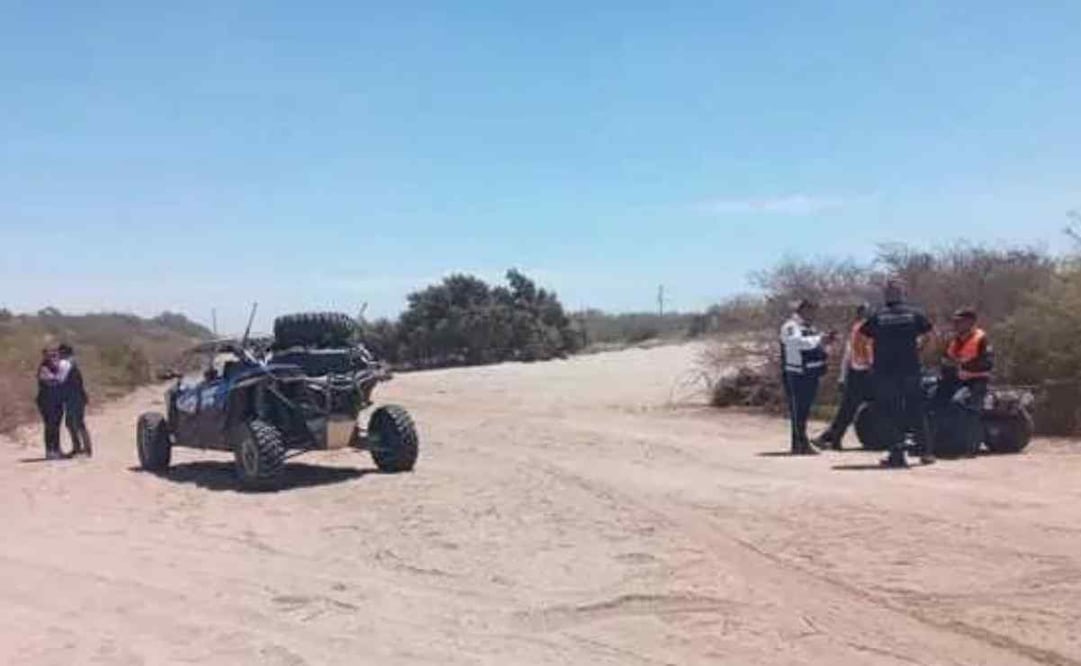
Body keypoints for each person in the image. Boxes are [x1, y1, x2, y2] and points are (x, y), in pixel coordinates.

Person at [860, 280, 935, 467]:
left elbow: (862, 336)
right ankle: (926, 452)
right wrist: (920, 351)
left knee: (891, 412)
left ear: (886, 296)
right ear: (903, 294)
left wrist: (869, 360)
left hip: (885, 372)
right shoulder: (914, 314)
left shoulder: (877, 316)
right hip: (910, 369)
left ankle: (897, 453)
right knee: (916, 409)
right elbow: (930, 335)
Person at [814, 303, 874, 450]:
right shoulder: (866, 331)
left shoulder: (856, 331)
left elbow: (847, 357)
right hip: (864, 373)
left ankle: (832, 437)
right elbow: (852, 355)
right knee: (848, 408)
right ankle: (831, 437)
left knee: (848, 408)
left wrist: (842, 377)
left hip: (856, 372)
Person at [935, 308, 993, 455]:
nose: (956, 325)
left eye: (960, 322)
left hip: (976, 381)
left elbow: (987, 362)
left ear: (970, 322)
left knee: (960, 404)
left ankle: (968, 445)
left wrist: (964, 366)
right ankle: (938, 441)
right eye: (955, 322)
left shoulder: (981, 339)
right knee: (934, 399)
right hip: (956, 381)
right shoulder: (955, 340)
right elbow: (945, 358)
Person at [780, 299, 834, 455]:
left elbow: (817, 346)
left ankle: (802, 442)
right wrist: (818, 339)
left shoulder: (811, 328)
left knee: (805, 409)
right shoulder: (790, 326)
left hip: (812, 372)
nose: (813, 315)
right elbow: (795, 343)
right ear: (802, 310)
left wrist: (827, 343)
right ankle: (798, 443)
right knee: (798, 410)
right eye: (811, 311)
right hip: (797, 373)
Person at [58, 343, 92, 457]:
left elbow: (61, 380)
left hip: (74, 398)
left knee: (75, 423)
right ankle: (83, 448)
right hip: (76, 397)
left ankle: (82, 448)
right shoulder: (72, 363)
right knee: (76, 422)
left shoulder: (67, 363)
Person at [35, 347, 65, 460]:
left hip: (57, 401)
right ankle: (50, 451)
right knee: (50, 425)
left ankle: (57, 449)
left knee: (56, 426)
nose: (54, 357)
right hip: (46, 401)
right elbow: (48, 381)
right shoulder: (44, 368)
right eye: (51, 355)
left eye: (55, 355)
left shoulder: (58, 368)